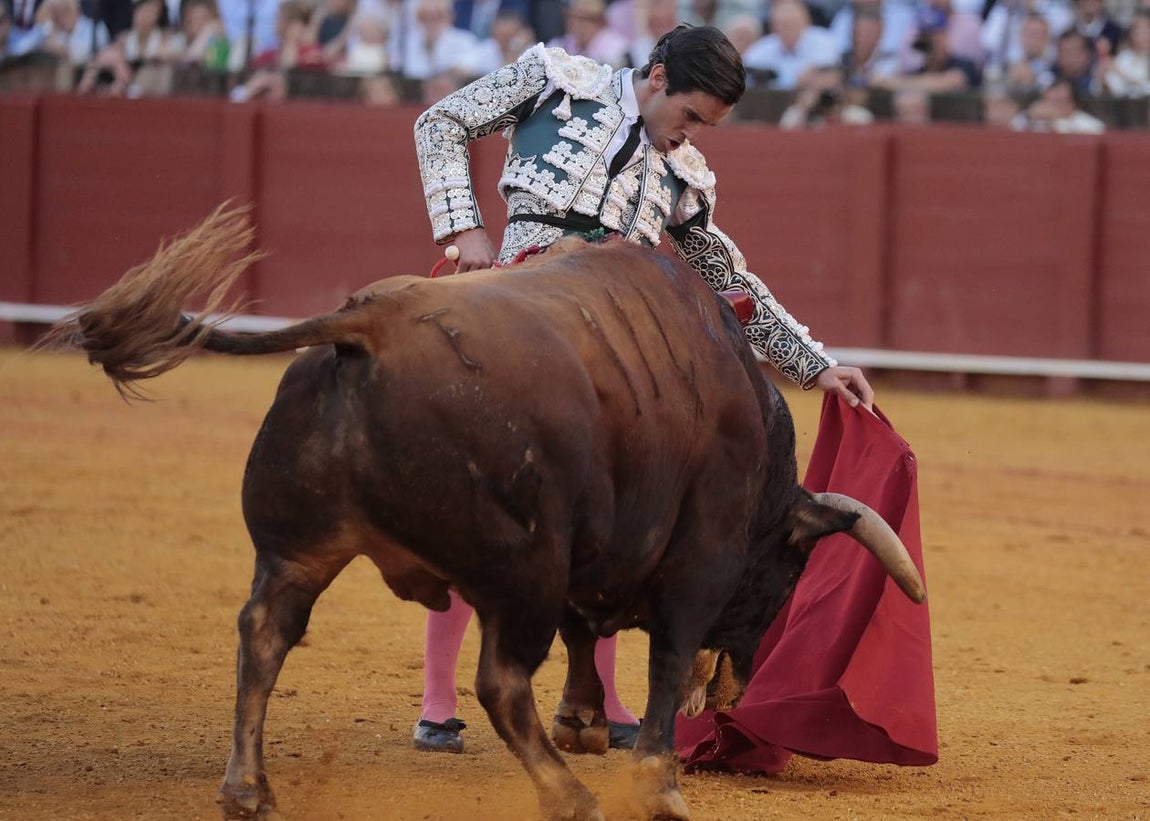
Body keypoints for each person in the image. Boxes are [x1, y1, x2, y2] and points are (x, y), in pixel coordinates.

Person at [411, 23, 876, 754]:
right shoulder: (554, 80)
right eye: (688, 116)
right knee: (489, 504)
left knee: (616, 519)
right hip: (520, 314)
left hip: (614, 351)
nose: (687, 137)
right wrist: (461, 226)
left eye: (706, 128)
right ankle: (439, 697)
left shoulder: (687, 173)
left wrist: (815, 363)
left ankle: (601, 696)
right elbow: (440, 121)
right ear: (656, 76)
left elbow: (730, 281)